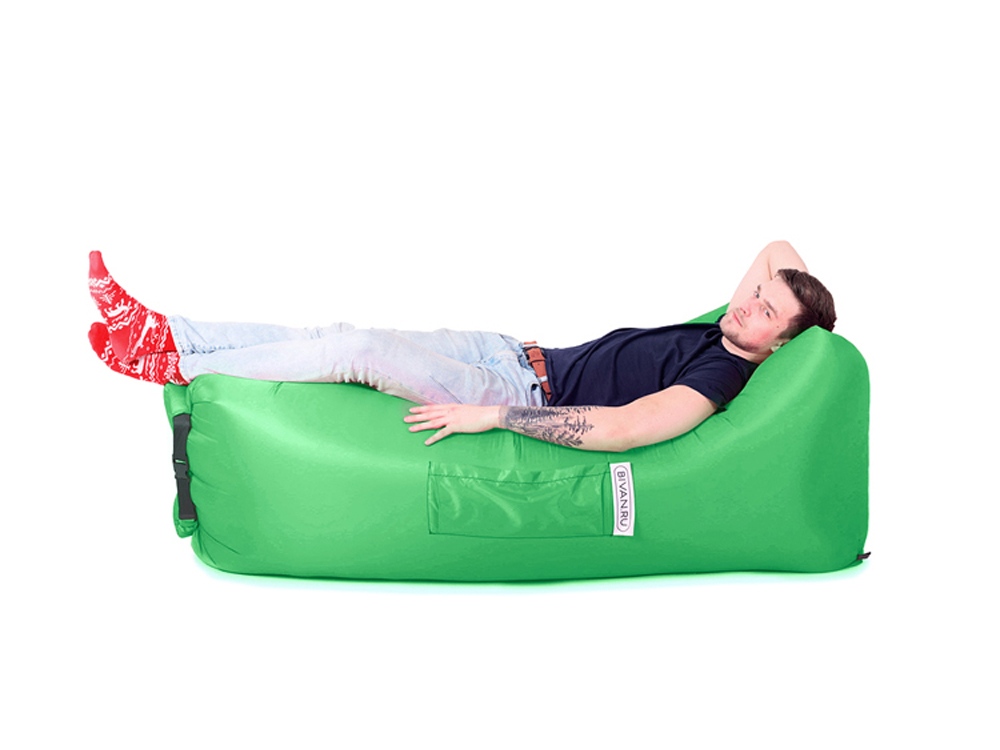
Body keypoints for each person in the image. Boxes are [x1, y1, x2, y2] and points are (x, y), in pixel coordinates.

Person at [87, 241, 835, 452]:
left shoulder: (719, 374)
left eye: (766, 310)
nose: (747, 301)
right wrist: (798, 313)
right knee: (336, 334)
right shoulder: (739, 327)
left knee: (359, 352)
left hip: (514, 393)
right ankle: (165, 329)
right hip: (510, 351)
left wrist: (496, 417)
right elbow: (777, 248)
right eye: (756, 294)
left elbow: (628, 427)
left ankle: (173, 361)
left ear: (782, 346)